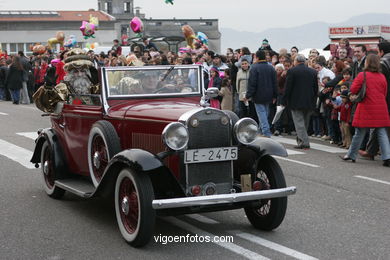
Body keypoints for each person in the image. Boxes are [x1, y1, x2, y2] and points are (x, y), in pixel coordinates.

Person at [340, 54, 390, 167]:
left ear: (367, 63)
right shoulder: (382, 76)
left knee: (359, 133)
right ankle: (387, 157)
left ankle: (351, 155)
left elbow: (353, 89)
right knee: (382, 133)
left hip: (366, 107)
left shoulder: (363, 75)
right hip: (381, 107)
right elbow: (385, 92)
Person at [359, 41, 390, 160]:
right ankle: (371, 150)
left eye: (377, 52)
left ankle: (378, 152)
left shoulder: (382, 63)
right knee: (380, 127)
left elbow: (377, 83)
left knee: (379, 126)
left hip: (384, 99)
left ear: (381, 52)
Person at [282, 54, 318, 149]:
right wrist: (314, 101)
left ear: (296, 61)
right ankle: (301, 141)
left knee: (299, 123)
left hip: (296, 101)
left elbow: (288, 87)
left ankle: (304, 142)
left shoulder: (292, 71)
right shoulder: (313, 72)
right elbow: (315, 88)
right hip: (309, 101)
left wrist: (284, 99)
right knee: (305, 123)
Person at [245, 50, 277, 138]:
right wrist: (275, 95)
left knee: (262, 113)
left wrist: (248, 95)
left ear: (257, 57)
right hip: (269, 94)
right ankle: (261, 130)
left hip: (258, 94)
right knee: (265, 113)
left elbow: (252, 83)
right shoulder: (271, 68)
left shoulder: (254, 68)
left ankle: (266, 132)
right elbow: (275, 83)